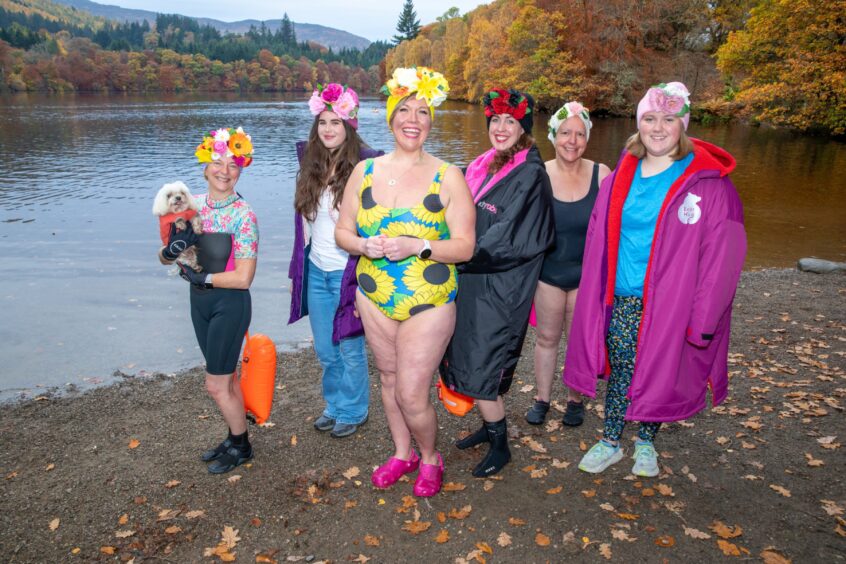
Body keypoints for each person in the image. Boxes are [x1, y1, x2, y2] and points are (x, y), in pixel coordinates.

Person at [563, 82, 746, 477]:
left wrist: (704, 318)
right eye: (649, 118)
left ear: (683, 124)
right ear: (638, 124)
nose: (658, 128)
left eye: (668, 119)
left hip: (673, 301)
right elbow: (598, 239)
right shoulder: (620, 177)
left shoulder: (709, 184)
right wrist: (594, 296)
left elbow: (723, 259)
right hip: (625, 295)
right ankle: (612, 439)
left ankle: (645, 441)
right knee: (624, 365)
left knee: (659, 369)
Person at [335, 67, 476, 497]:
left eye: (422, 111)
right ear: (391, 116)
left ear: (430, 121)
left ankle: (431, 457)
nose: (412, 119)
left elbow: (466, 247)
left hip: (428, 300)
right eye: (404, 110)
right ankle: (402, 453)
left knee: (414, 392)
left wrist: (419, 245)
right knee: (390, 379)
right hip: (374, 296)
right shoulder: (364, 171)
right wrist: (363, 245)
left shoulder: (448, 176)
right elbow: (342, 232)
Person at [440, 88, 555, 478]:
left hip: (502, 286)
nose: (501, 128)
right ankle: (489, 431)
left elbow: (510, 238)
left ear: (524, 129)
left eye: (511, 121)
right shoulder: (483, 164)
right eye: (496, 121)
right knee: (470, 353)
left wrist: (456, 252)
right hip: (474, 281)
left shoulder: (531, 175)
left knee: (485, 358)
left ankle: (501, 444)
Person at [159, 127, 259, 474]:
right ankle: (234, 438)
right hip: (198, 302)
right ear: (205, 167)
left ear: (240, 170)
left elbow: (244, 277)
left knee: (215, 384)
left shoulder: (243, 214)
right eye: (217, 162)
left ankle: (242, 445)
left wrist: (205, 277)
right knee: (228, 379)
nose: (224, 170)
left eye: (232, 165)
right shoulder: (189, 205)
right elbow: (164, 257)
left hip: (229, 305)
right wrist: (169, 252)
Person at [288, 84, 383, 439]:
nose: (328, 129)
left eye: (336, 122)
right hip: (316, 272)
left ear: (349, 127)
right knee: (326, 350)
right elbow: (305, 228)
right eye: (323, 122)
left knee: (350, 347)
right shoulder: (311, 169)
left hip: (349, 273)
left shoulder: (365, 169)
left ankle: (354, 410)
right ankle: (334, 405)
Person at [525, 102, 611, 427]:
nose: (572, 140)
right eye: (565, 133)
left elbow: (623, 220)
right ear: (553, 136)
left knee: (578, 340)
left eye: (579, 133)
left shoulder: (601, 174)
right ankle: (542, 399)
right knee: (546, 338)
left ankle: (575, 399)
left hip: (586, 277)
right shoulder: (538, 174)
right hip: (548, 274)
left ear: (586, 139)